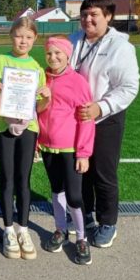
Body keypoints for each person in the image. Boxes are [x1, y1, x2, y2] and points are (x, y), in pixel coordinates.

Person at [69, 0, 140, 248]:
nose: (87, 19)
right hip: (77, 119)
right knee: (81, 170)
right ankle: (85, 214)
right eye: (84, 14)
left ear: (108, 16)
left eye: (94, 14)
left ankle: (108, 223)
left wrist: (101, 107)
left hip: (105, 118)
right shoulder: (73, 40)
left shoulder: (121, 47)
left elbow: (129, 87)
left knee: (103, 173)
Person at [0, 17, 47, 260]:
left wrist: (46, 97)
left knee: (23, 179)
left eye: (28, 37)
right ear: (11, 35)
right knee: (7, 179)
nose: (23, 41)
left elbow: (39, 108)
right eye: (19, 36)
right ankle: (9, 229)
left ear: (35, 39)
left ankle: (23, 229)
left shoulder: (37, 68)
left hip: (28, 128)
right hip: (2, 127)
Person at [38, 35, 95, 265]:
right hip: (47, 148)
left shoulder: (78, 82)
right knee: (56, 190)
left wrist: (83, 152)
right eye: (49, 53)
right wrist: (37, 142)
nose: (53, 57)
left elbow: (86, 119)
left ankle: (81, 238)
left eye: (57, 53)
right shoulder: (41, 77)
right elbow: (35, 111)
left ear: (67, 55)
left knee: (74, 195)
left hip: (70, 149)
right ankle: (60, 230)